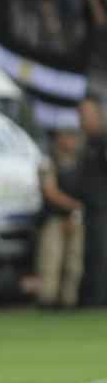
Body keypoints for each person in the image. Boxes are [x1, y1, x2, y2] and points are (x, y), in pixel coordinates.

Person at [36, 128, 83, 309]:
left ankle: (69, 301)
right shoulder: (48, 161)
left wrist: (76, 211)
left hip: (76, 217)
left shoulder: (81, 162)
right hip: (54, 217)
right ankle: (47, 300)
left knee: (74, 262)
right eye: (67, 137)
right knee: (51, 260)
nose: (71, 141)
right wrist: (73, 206)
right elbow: (49, 192)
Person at [78, 98, 107, 306]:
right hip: (88, 207)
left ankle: (98, 301)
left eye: (86, 115)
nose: (82, 120)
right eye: (81, 115)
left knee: (100, 254)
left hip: (102, 208)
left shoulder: (103, 141)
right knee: (90, 253)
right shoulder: (87, 142)